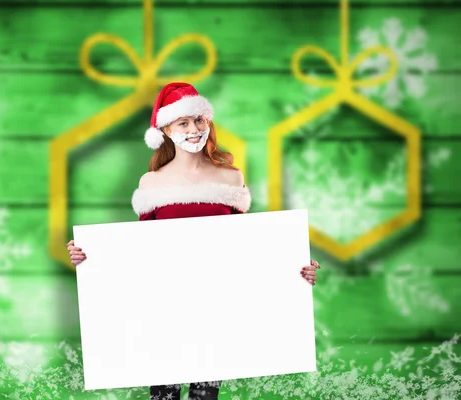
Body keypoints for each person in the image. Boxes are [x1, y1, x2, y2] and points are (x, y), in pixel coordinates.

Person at [66, 82, 321, 400]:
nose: (193, 129)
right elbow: (137, 251)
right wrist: (90, 258)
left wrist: (294, 268)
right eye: (183, 122)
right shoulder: (152, 182)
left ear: (208, 123)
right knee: (165, 397)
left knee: (204, 398)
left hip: (212, 310)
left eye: (199, 120)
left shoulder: (231, 178)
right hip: (163, 311)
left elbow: (247, 249)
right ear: (166, 130)